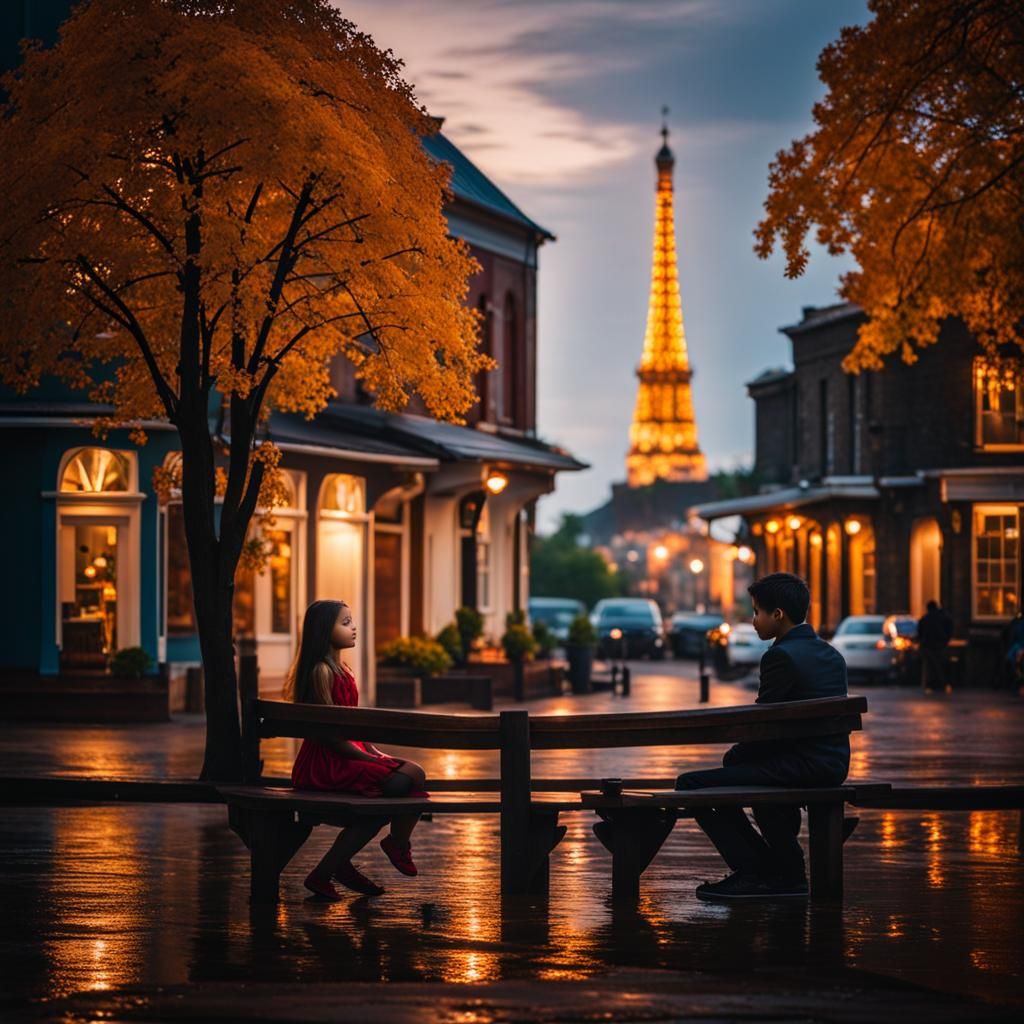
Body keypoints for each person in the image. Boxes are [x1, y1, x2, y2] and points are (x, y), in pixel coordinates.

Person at [675, 572, 849, 901]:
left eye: (757, 612)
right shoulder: (831, 654)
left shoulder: (779, 656)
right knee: (746, 770)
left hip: (801, 766)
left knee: (691, 785)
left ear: (778, 614)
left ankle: (760, 871)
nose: (753, 621)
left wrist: (735, 756)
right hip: (832, 763)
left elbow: (764, 726)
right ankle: (781, 870)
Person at [285, 599, 428, 901]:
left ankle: (333, 868)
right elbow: (328, 735)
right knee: (402, 783)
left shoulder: (343, 669)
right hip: (328, 762)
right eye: (345, 622)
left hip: (348, 753)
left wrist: (375, 753)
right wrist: (366, 757)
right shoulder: (322, 672)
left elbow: (353, 729)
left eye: (351, 621)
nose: (354, 628)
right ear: (325, 630)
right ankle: (391, 847)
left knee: (410, 777)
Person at [916, 600, 954, 693]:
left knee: (930, 667)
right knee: (942, 665)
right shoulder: (944, 617)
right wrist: (946, 640)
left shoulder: (925, 619)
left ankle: (930, 686)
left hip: (928, 645)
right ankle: (945, 685)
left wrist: (921, 642)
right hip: (941, 645)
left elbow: (920, 633)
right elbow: (950, 628)